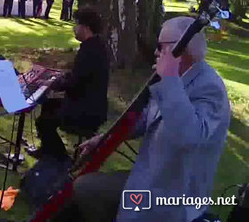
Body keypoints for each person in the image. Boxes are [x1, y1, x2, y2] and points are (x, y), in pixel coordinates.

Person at [57, 16, 230, 222]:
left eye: (160, 47)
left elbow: (190, 137)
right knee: (83, 188)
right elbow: (147, 118)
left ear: (179, 51)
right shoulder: (177, 80)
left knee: (88, 190)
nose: (156, 53)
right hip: (150, 179)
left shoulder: (209, 88)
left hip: (173, 196)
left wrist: (170, 80)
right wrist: (103, 139)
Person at [28, 6, 110, 160]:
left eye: (76, 25)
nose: (74, 29)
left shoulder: (90, 51)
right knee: (48, 103)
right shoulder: (96, 45)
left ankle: (59, 156)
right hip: (92, 103)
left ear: (85, 28)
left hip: (86, 110)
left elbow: (74, 83)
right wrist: (58, 78)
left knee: (44, 121)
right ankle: (47, 149)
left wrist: (52, 83)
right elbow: (79, 76)